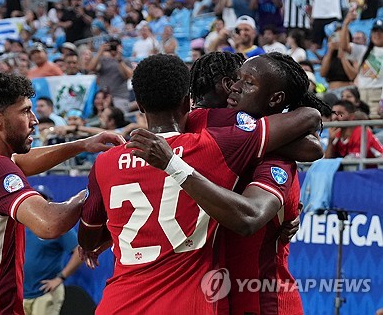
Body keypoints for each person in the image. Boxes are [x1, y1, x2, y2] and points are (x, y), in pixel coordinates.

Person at [78, 54, 321, 314]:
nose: (235, 88)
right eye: (235, 80)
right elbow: (312, 145)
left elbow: (250, 215)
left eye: (246, 82)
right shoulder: (210, 139)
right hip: (209, 298)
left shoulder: (225, 139)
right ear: (187, 102)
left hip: (258, 300)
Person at [0, 72, 124, 314]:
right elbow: (50, 224)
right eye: (24, 111)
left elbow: (18, 162)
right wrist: (94, 191)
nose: (34, 119)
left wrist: (82, 144)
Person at [23, 185, 83, 315]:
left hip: (44, 293)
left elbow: (79, 252)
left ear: (49, 203)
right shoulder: (23, 225)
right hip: (23, 293)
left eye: (42, 199)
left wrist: (60, 278)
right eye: (35, 198)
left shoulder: (55, 225)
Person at [340, 14, 383, 119]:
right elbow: (344, 47)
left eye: (381, 32)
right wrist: (346, 23)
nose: (377, 34)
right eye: (375, 31)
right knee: (359, 126)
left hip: (378, 96)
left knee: (375, 125)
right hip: (360, 94)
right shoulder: (363, 51)